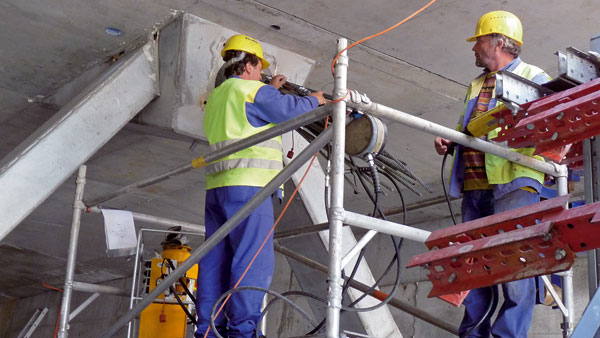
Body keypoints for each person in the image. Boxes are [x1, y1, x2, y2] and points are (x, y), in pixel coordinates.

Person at [196, 34, 326, 338]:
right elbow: (289, 112)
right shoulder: (253, 91)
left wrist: (271, 90)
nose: (260, 73)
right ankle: (243, 331)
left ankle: (207, 331)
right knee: (251, 260)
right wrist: (315, 100)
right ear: (250, 64)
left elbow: (250, 114)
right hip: (250, 189)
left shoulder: (218, 96)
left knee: (215, 261)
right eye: (258, 67)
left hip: (217, 190)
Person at [433, 11, 551, 338]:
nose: (474, 48)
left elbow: (544, 128)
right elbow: (465, 129)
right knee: (474, 267)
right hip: (475, 186)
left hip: (514, 185)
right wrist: (449, 140)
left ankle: (508, 335)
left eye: (479, 41)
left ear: (498, 41)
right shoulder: (477, 84)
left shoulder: (533, 76)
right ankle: (474, 334)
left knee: (514, 267)